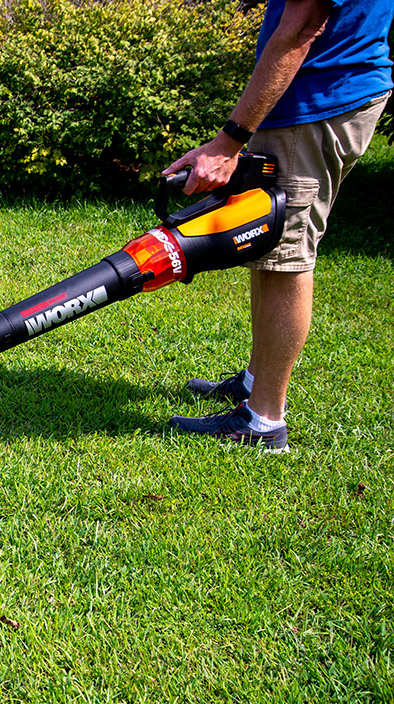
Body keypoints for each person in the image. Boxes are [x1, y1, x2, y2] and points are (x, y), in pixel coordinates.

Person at [164, 0, 393, 452]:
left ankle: (263, 421)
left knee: (286, 255)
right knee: (268, 247)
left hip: (317, 98)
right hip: (321, 92)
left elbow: (302, 24)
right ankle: (255, 382)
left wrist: (228, 142)